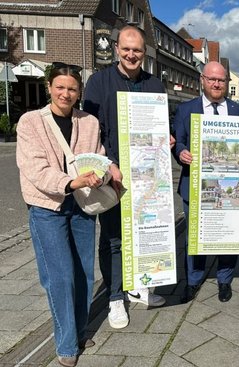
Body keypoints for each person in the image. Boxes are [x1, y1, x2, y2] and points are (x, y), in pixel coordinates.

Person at [16, 62, 105, 367]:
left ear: (79, 91)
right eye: (60, 87)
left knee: (83, 273)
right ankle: (67, 343)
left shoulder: (89, 122)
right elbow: (35, 170)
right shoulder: (30, 122)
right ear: (49, 87)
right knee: (60, 277)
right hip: (46, 206)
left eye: (72, 88)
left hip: (82, 204)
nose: (66, 94)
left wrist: (103, 175)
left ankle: (80, 330)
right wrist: (72, 181)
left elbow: (99, 157)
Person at [83, 25, 166, 330]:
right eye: (126, 49)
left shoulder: (155, 85)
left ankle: (139, 286)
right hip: (113, 176)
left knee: (146, 233)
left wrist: (165, 141)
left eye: (138, 50)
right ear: (117, 48)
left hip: (147, 177)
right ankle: (115, 297)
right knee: (114, 238)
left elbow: (158, 130)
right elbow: (89, 132)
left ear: (145, 53)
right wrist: (109, 163)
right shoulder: (98, 82)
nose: (132, 55)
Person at [173, 61, 239, 304]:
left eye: (221, 80)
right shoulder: (186, 109)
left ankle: (225, 279)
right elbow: (179, 141)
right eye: (212, 79)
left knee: (229, 234)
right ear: (202, 80)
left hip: (229, 184)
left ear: (226, 83)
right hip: (195, 185)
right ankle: (193, 280)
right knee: (194, 236)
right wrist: (181, 153)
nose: (217, 84)